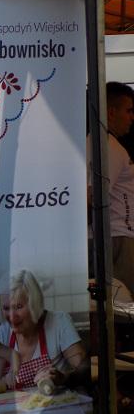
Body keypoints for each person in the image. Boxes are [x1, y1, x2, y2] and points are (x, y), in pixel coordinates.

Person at [0, 270, 88, 390]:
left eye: (18, 306)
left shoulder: (58, 322)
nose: (12, 317)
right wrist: (4, 382)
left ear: (34, 303)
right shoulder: (3, 333)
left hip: (57, 400)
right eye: (6, 308)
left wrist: (63, 378)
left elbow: (84, 368)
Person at [88, 82, 134, 295]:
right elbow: (94, 194)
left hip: (108, 237)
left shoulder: (96, 141)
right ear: (112, 112)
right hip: (116, 238)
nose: (132, 117)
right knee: (123, 305)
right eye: (129, 110)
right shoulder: (109, 146)